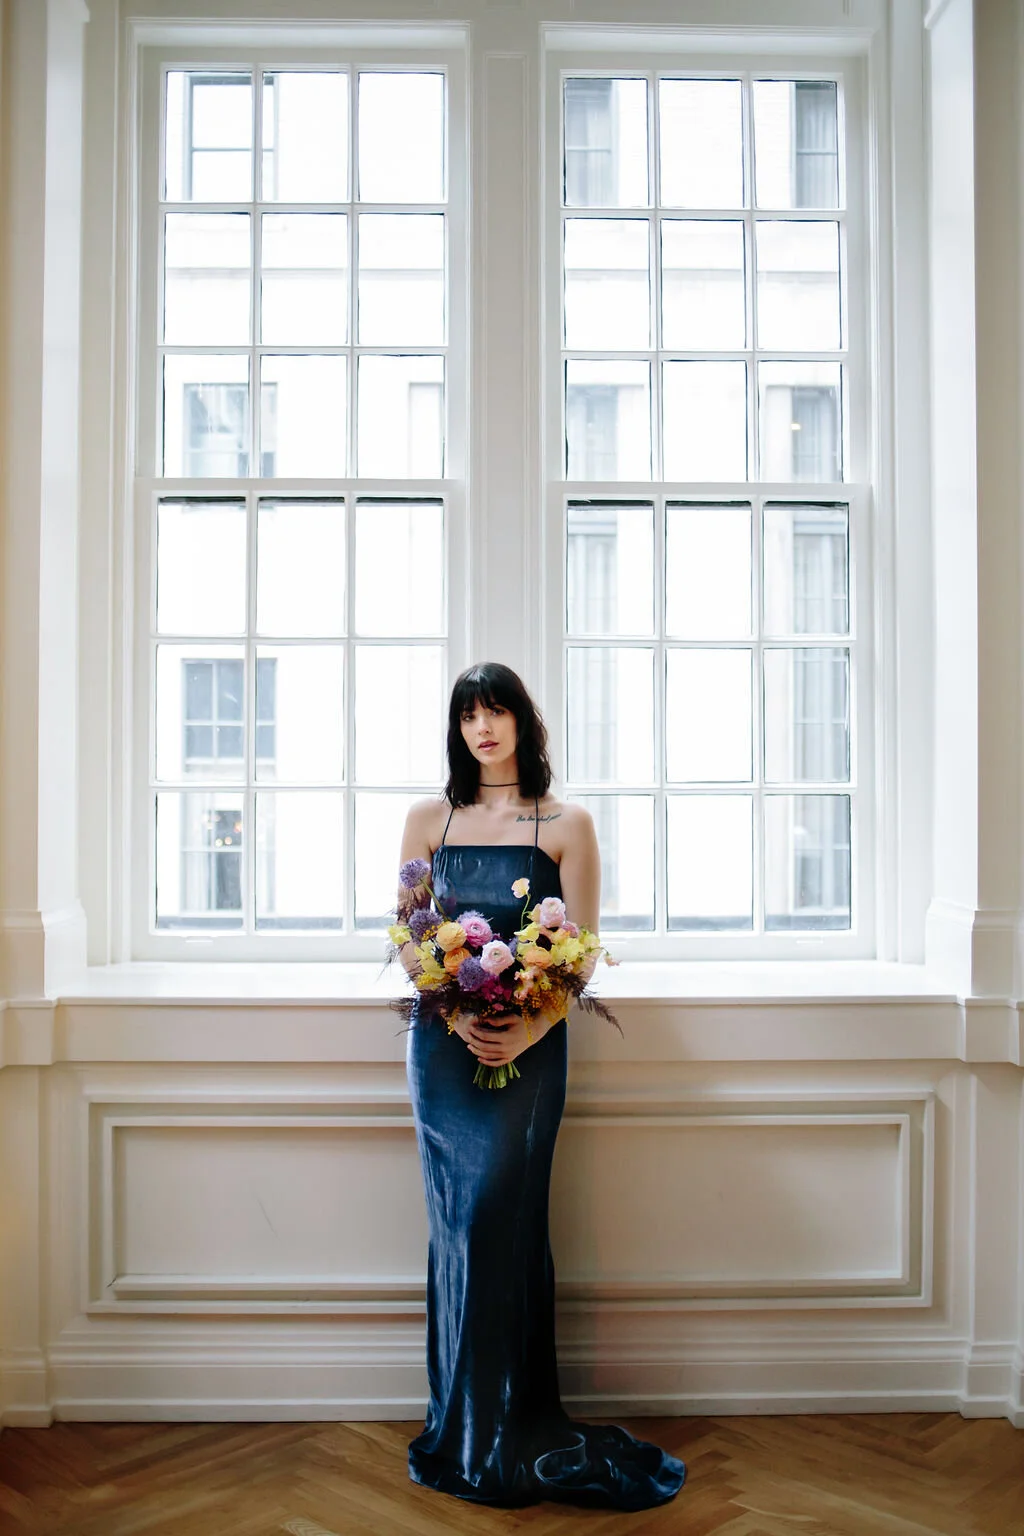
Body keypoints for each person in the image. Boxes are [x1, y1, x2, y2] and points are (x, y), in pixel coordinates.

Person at [397, 661, 686, 1508]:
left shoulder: (567, 824)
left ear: (525, 722)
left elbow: (583, 950)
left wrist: (525, 1024)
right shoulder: (428, 818)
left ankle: (514, 1426)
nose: (483, 729)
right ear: (457, 731)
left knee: (503, 1221)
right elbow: (414, 939)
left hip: (534, 1047)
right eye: (468, 716)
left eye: (497, 712)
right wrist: (455, 1018)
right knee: (460, 1227)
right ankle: (463, 1427)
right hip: (443, 1054)